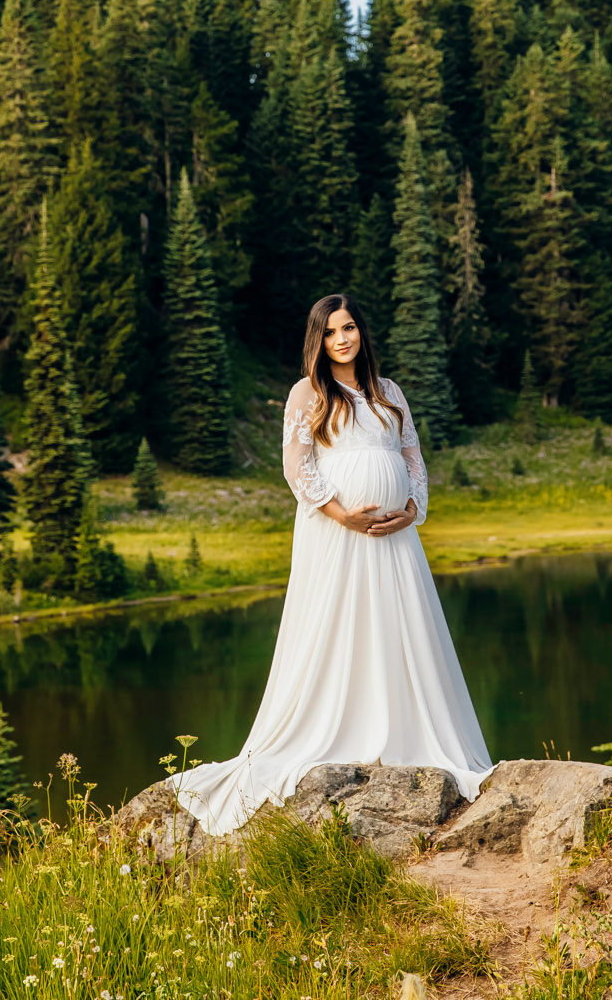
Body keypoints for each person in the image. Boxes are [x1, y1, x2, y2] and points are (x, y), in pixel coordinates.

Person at [170, 293, 494, 835]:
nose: (342, 339)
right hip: (336, 535)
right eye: (330, 332)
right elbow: (296, 466)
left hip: (394, 538)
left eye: (349, 328)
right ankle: (336, 728)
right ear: (317, 341)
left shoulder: (389, 392)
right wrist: (342, 513)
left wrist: (411, 508)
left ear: (361, 332)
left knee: (399, 625)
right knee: (339, 624)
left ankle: (412, 731)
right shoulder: (309, 392)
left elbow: (411, 454)